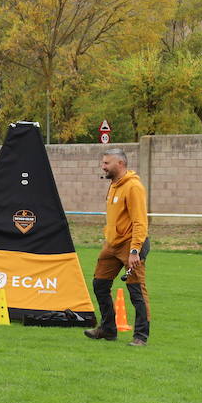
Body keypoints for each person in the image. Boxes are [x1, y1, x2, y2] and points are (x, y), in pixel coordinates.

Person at [85, 147, 151, 346]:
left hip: (130, 246)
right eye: (103, 162)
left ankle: (140, 336)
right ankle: (108, 329)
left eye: (106, 163)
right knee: (100, 284)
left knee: (136, 290)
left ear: (120, 164)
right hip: (111, 245)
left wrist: (134, 250)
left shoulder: (133, 187)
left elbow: (140, 222)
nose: (102, 166)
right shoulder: (114, 185)